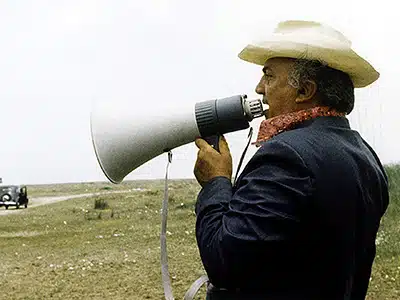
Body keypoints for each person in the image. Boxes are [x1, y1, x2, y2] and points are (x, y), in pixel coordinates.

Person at [193, 20, 389, 300]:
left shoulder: (286, 156)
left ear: (304, 91)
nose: (260, 88)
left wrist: (216, 182)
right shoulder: (365, 154)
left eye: (269, 76)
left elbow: (223, 259)